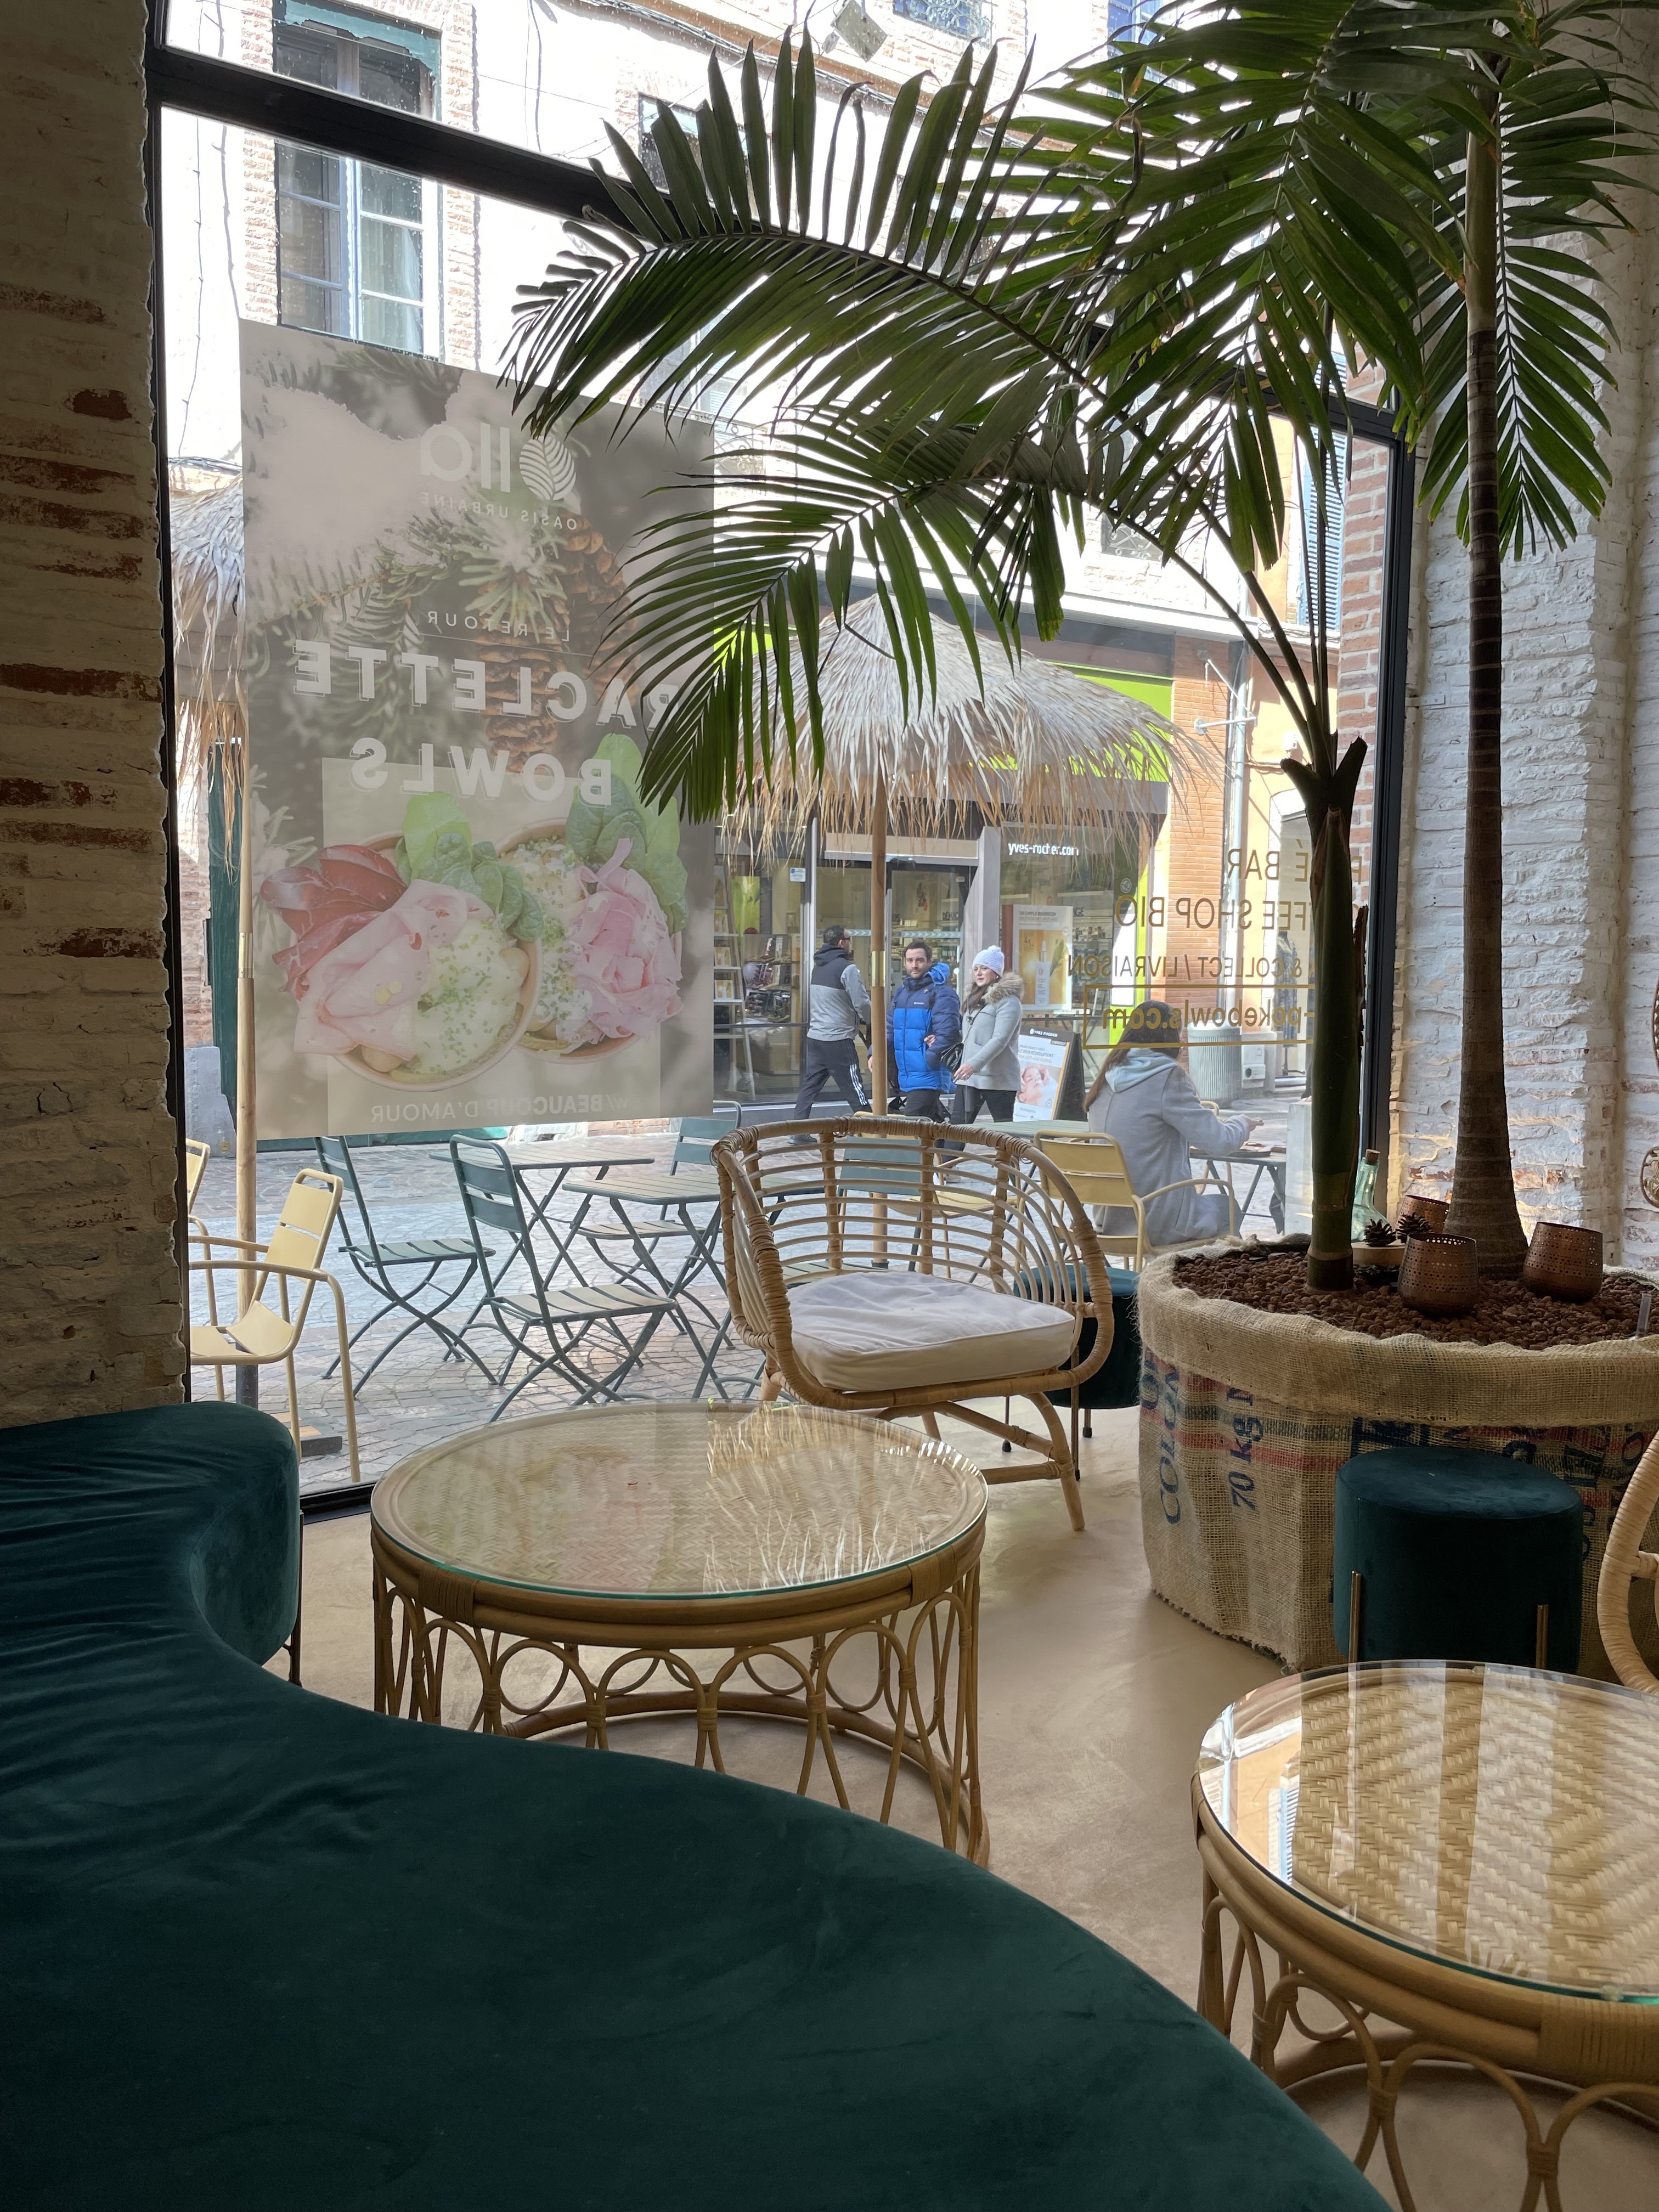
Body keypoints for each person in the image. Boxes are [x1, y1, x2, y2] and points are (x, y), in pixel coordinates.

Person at [1084, 1000, 1261, 1247]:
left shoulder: (1106, 1076)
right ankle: (1200, 1272)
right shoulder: (1167, 1076)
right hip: (1156, 1222)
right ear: (1170, 1037)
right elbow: (1219, 1142)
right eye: (1179, 1034)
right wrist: (1241, 1123)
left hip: (1110, 1221)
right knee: (1227, 1206)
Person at [792, 924, 872, 1116]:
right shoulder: (847, 968)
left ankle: (797, 1128)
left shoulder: (818, 968)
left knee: (808, 1090)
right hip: (838, 1040)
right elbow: (862, 1003)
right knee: (855, 1090)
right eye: (849, 940)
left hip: (816, 1038)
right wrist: (872, 1021)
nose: (850, 944)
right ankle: (871, 1128)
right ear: (842, 943)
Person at [887, 939, 960, 1120]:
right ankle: (943, 1139)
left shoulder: (941, 993)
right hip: (908, 1073)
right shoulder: (901, 993)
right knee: (931, 1123)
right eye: (910, 961)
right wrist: (875, 1053)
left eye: (919, 960)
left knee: (912, 1123)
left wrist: (930, 1059)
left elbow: (948, 1033)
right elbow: (889, 1028)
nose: (914, 965)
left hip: (929, 1074)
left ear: (929, 961)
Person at [951, 947, 1023, 1125]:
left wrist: (973, 1065)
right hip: (969, 1078)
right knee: (957, 1128)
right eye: (976, 969)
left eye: (984, 968)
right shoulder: (974, 998)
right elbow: (971, 1033)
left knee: (1004, 1133)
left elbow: (1000, 1040)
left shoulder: (1009, 1001)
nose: (979, 973)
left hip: (998, 1079)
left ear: (996, 972)